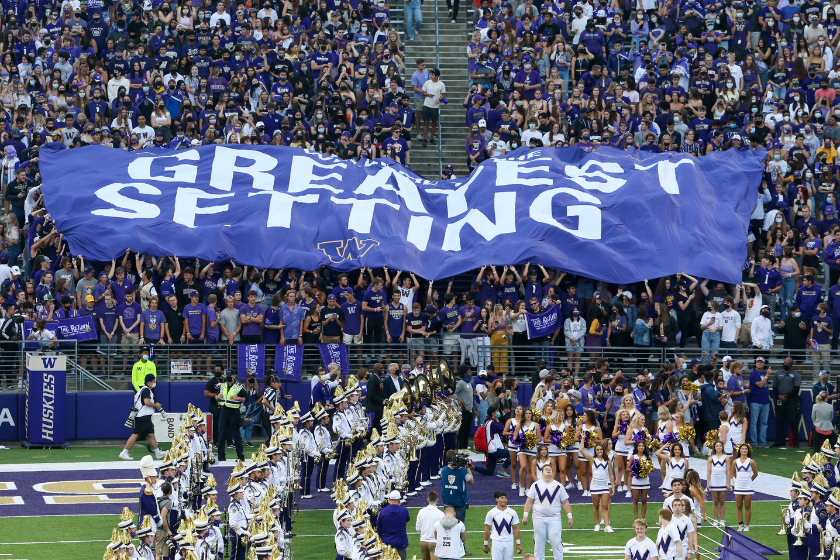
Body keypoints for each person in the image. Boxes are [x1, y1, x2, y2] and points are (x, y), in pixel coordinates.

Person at [522, 463, 574, 560]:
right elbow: (529, 501)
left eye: (550, 469)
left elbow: (565, 502)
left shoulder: (558, 486)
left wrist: (569, 517)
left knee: (556, 541)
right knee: (539, 542)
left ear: (553, 472)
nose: (548, 470)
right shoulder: (535, 485)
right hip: (538, 518)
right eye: (546, 469)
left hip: (554, 518)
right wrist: (525, 515)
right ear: (542, 472)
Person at [120, 374, 166, 460]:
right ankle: (124, 452)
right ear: (149, 382)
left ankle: (157, 452)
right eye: (154, 381)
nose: (154, 383)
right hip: (143, 416)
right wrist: (156, 405)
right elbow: (147, 402)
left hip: (144, 416)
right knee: (136, 434)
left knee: (151, 434)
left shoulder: (144, 390)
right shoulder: (146, 390)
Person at [215, 370, 246, 462]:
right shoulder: (222, 385)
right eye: (226, 375)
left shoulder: (239, 387)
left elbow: (246, 398)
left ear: (234, 376)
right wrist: (217, 397)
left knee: (236, 435)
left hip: (234, 412)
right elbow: (216, 396)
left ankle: (240, 456)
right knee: (221, 434)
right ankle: (221, 456)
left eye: (229, 375)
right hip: (223, 411)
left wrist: (238, 398)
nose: (227, 377)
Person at [773, 356, 802, 448]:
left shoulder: (796, 374)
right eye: (785, 363)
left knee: (793, 421)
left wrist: (786, 396)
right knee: (779, 421)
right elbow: (774, 387)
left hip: (791, 400)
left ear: (791, 365)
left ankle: (795, 442)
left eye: (788, 364)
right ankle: (779, 441)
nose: (785, 365)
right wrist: (779, 396)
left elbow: (796, 388)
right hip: (779, 400)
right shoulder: (778, 373)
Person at [484, 491, 522, 560]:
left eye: (505, 498)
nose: (504, 500)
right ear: (497, 499)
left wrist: (518, 544)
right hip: (496, 542)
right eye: (502, 498)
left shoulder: (512, 512)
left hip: (509, 541)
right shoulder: (491, 513)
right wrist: (485, 544)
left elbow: (516, 528)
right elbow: (487, 529)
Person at [441, 449, 474, 525]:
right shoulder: (462, 470)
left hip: (447, 501)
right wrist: (468, 468)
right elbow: (471, 481)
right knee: (460, 525)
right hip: (460, 501)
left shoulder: (443, 470)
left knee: (447, 524)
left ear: (447, 459)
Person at [376, 491, 411, 560]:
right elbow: (407, 519)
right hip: (400, 544)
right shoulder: (404, 511)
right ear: (399, 500)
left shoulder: (383, 511)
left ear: (389, 499)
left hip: (387, 543)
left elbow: (379, 529)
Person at [733, 443, 758, 532]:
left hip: (748, 487)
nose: (744, 450)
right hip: (738, 486)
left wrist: (749, 480)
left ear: (748, 451)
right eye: (742, 449)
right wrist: (739, 480)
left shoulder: (751, 461)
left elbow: (755, 474)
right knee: (739, 506)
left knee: (747, 506)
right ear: (739, 451)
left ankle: (747, 525)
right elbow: (733, 473)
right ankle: (740, 525)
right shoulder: (735, 461)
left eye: (745, 449)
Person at [747, 357, 771, 447]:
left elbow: (766, 385)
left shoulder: (765, 373)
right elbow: (760, 385)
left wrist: (767, 394)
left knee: (764, 423)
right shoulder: (753, 373)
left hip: (765, 401)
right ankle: (754, 442)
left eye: (761, 362)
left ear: (764, 364)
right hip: (755, 400)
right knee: (754, 423)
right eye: (758, 362)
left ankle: (762, 442)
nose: (759, 363)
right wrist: (767, 375)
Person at [416, 491, 444, 560]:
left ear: (428, 499)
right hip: (434, 542)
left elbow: (418, 528)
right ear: (437, 499)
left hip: (423, 541)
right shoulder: (440, 514)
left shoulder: (421, 511)